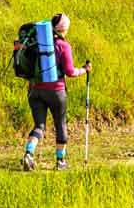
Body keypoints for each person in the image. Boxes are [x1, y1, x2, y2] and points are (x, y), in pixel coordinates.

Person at [23, 13, 90, 171]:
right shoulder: (63, 46)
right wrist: (84, 70)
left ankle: (28, 154)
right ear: (63, 29)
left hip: (35, 90)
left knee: (39, 126)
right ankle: (60, 162)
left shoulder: (37, 42)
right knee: (60, 125)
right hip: (56, 92)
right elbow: (70, 71)